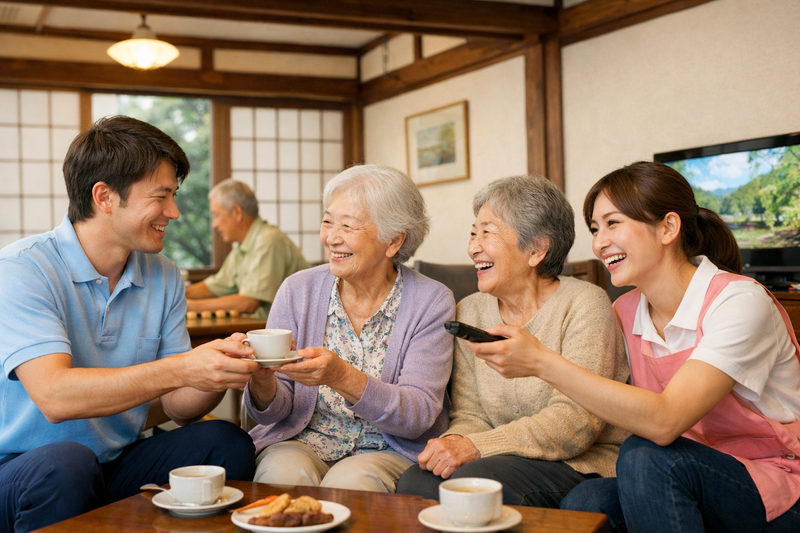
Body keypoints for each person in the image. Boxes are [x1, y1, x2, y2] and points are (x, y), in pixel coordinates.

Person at [469, 162, 800, 532]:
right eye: (595, 229)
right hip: (682, 472)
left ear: (668, 228)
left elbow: (665, 420)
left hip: (778, 481)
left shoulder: (738, 302)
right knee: (587, 501)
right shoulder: (624, 312)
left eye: (613, 223)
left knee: (644, 455)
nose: (599, 242)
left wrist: (542, 363)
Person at [0, 116, 259, 533]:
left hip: (117, 461)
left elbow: (177, 407)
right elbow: (55, 397)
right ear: (104, 196)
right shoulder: (22, 268)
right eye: (161, 197)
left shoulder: (164, 275)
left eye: (174, 196)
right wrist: (183, 368)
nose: (173, 212)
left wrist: (219, 369)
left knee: (226, 442)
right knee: (67, 463)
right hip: (21, 467)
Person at [396, 175, 629, 507]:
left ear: (536, 249)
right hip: (500, 458)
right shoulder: (471, 310)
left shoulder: (584, 303)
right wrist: (454, 441)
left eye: (487, 232)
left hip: (581, 462)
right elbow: (470, 413)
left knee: (474, 486)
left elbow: (576, 422)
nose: (473, 247)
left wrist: (477, 446)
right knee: (416, 481)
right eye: (473, 233)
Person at [241, 164, 455, 493]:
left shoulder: (431, 301)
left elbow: (417, 415)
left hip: (388, 449)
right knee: (281, 475)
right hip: (303, 440)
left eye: (348, 225)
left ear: (393, 241)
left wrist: (341, 377)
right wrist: (261, 379)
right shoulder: (297, 290)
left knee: (351, 484)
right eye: (328, 222)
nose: (331, 237)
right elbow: (273, 414)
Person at [185, 179, 309, 319]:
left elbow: (248, 303)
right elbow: (216, 285)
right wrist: (177, 294)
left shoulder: (268, 240)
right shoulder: (242, 247)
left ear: (237, 212)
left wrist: (190, 306)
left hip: (288, 330)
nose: (214, 224)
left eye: (216, 215)